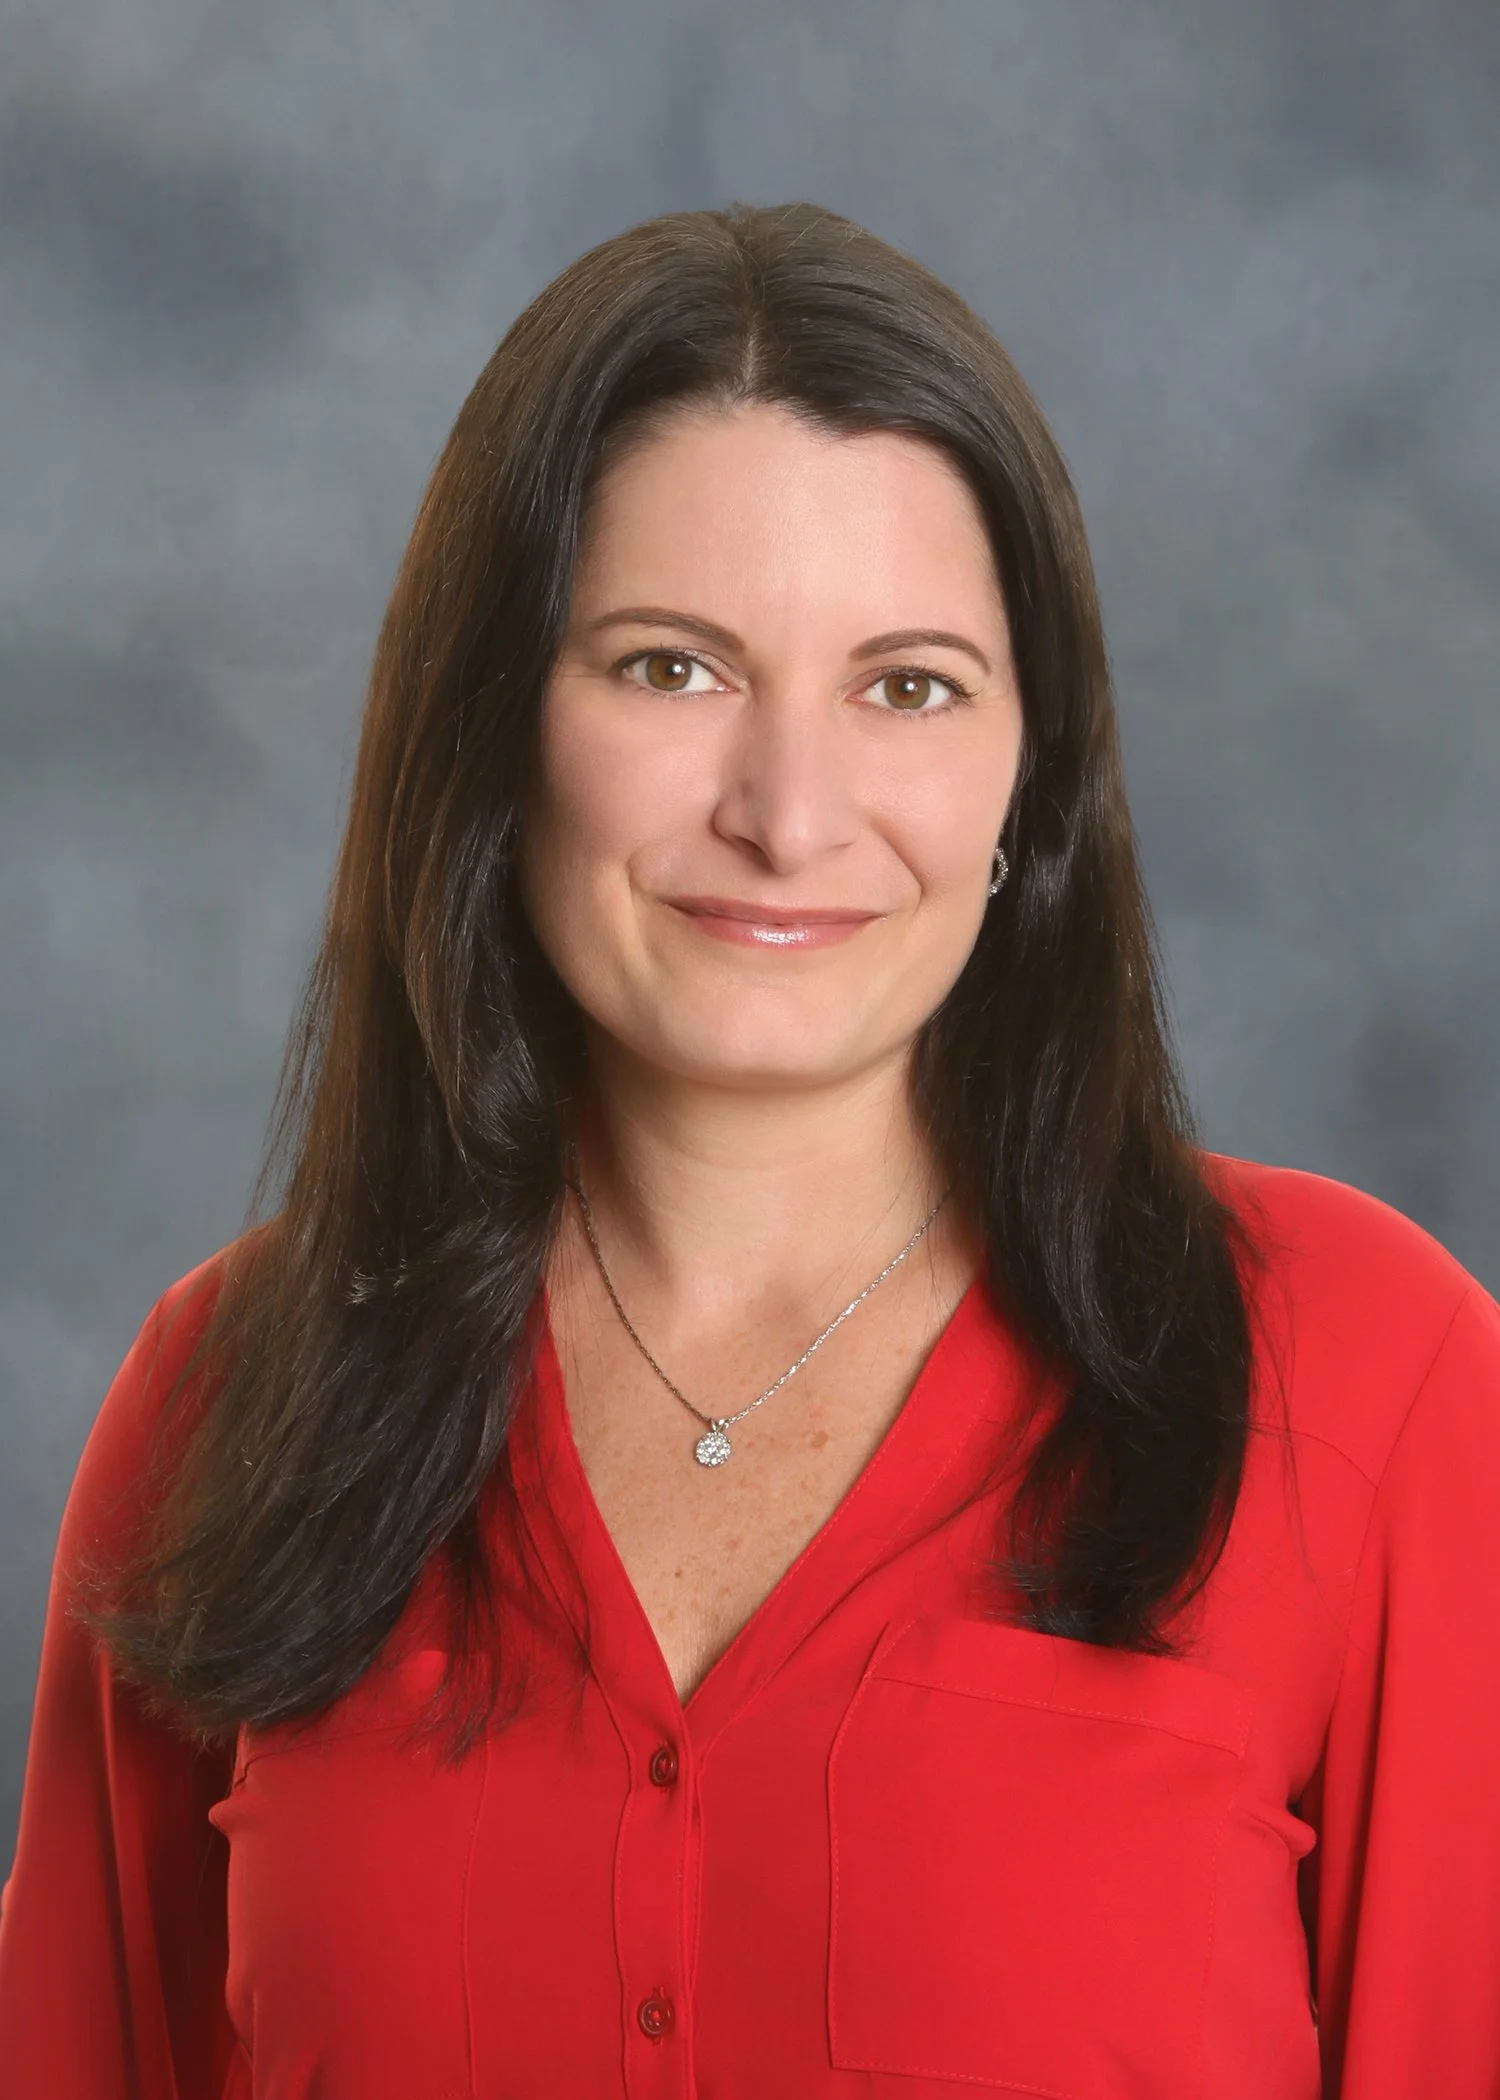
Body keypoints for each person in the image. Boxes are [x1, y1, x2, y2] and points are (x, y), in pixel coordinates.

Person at [1, 199, 1497, 2100]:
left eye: (909, 686)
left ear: (1032, 773)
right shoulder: (230, 1396)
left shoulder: (1366, 1381)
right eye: (667, 668)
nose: (791, 816)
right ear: (495, 728)